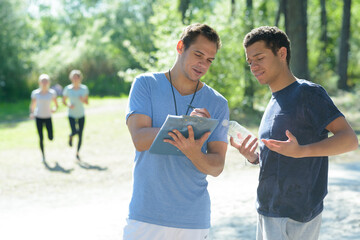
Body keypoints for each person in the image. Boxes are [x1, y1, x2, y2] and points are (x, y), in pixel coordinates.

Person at [230, 26, 359, 240]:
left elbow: (349, 140)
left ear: (281, 53)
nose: (253, 66)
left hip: (296, 217)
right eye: (250, 61)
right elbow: (283, 157)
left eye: (259, 58)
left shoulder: (308, 93)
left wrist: (302, 151)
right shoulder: (273, 101)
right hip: (266, 211)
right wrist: (254, 157)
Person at [124, 23, 229, 239]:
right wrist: (188, 126)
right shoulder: (145, 84)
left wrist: (193, 151)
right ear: (180, 47)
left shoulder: (217, 103)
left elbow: (217, 166)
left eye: (209, 60)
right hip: (146, 216)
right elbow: (140, 139)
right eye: (198, 54)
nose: (203, 64)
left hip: (193, 221)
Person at [30, 74, 58, 160]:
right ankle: (43, 155)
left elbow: (56, 105)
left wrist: (54, 109)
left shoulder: (52, 93)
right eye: (43, 81)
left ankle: (50, 136)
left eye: (46, 81)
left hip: (48, 117)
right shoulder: (35, 93)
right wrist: (31, 113)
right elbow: (32, 105)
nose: (44, 83)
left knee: (50, 137)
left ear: (49, 82)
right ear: (39, 82)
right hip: (38, 117)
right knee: (41, 137)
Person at [62, 69, 89, 161]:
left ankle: (77, 152)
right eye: (74, 77)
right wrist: (69, 105)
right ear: (71, 78)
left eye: (77, 77)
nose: (75, 79)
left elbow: (87, 102)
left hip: (81, 114)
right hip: (71, 114)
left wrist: (83, 100)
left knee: (80, 134)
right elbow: (64, 101)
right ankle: (71, 136)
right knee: (74, 131)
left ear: (80, 78)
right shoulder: (68, 89)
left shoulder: (84, 88)